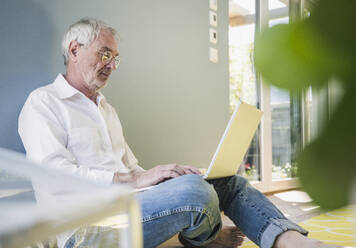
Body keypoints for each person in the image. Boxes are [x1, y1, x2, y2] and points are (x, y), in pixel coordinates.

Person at [18, 17, 339, 248]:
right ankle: (204, 238)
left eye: (115, 58)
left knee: (225, 182)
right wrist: (138, 181)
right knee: (194, 195)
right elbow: (54, 176)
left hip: (130, 207)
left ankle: (290, 240)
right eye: (105, 54)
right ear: (74, 49)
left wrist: (163, 177)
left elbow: (133, 171)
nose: (111, 64)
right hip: (85, 230)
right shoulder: (43, 103)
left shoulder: (105, 109)